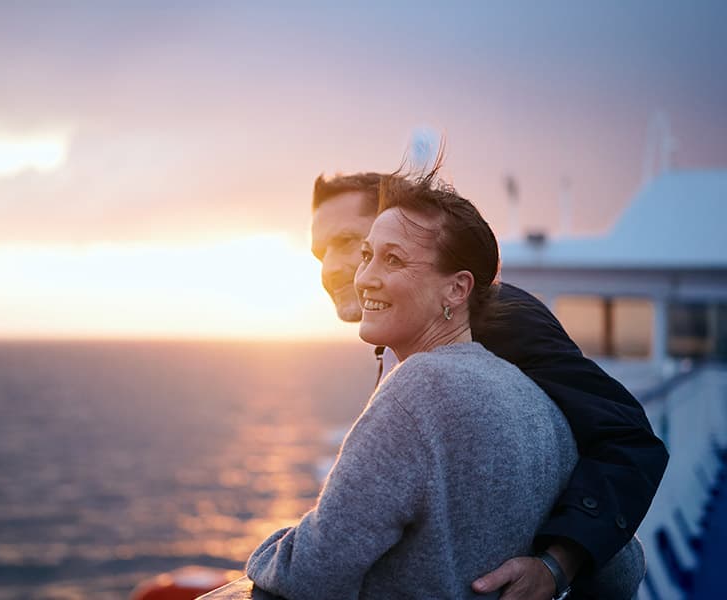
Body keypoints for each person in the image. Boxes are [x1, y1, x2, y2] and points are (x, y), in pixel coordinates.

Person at [246, 171, 649, 599]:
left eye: (348, 243)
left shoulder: (497, 324)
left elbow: (624, 439)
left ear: (457, 287)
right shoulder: (455, 366)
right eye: (321, 253)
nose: (333, 268)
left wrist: (556, 566)